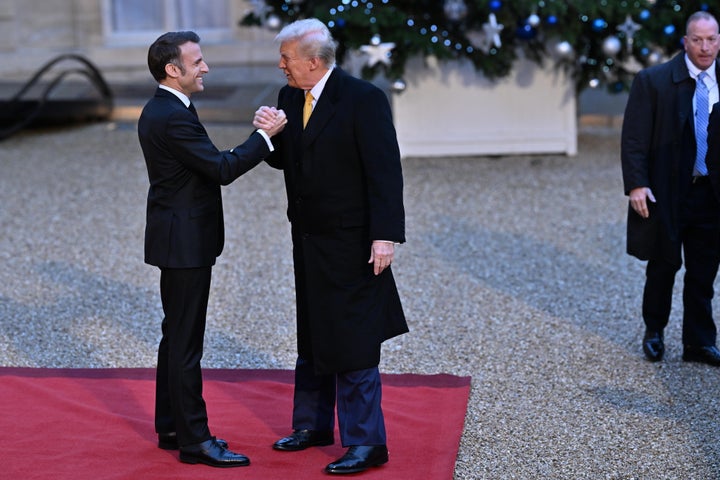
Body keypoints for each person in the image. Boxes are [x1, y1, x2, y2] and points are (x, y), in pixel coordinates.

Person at [253, 18, 408, 475]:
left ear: (314, 62)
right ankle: (313, 425)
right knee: (314, 330)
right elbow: (292, 160)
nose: (280, 66)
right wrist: (270, 137)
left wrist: (386, 235)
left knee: (354, 337)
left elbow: (385, 171)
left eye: (287, 59)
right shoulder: (288, 96)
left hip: (354, 240)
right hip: (307, 238)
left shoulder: (363, 99)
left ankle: (366, 443)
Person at [137, 31, 286, 467]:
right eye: (197, 61)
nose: (205, 68)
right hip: (184, 243)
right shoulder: (171, 115)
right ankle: (195, 441)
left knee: (174, 336)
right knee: (186, 344)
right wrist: (264, 136)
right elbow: (221, 168)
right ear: (172, 69)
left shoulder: (165, 107)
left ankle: (170, 425)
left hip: (176, 237)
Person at [621, 10, 720, 366]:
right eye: (697, 39)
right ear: (685, 41)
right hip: (668, 191)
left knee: (704, 270)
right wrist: (636, 185)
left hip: (711, 194)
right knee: (663, 265)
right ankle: (654, 331)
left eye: (711, 39)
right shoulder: (654, 81)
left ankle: (699, 342)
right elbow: (633, 138)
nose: (705, 47)